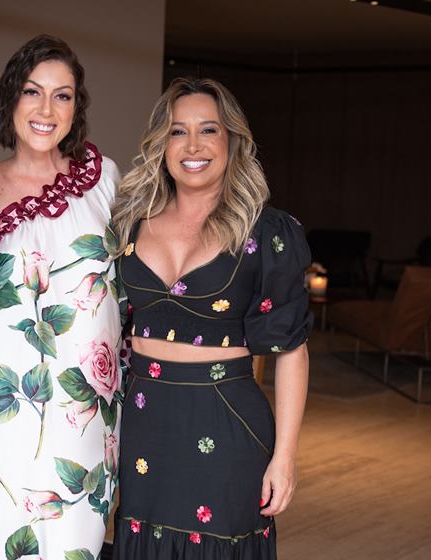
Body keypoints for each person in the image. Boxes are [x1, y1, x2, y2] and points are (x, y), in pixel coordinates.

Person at [111, 77, 311, 559]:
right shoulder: (127, 222)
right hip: (142, 424)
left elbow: (292, 351)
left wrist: (284, 457)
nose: (193, 146)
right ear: (162, 144)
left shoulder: (266, 232)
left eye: (209, 130)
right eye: (179, 132)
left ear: (232, 141)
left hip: (227, 425)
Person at [0, 35, 122, 559]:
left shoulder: (103, 180)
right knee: (2, 532)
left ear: (77, 108)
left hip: (86, 405)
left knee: (75, 539)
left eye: (63, 95)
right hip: (5, 402)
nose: (46, 109)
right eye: (33, 92)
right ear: (11, 98)